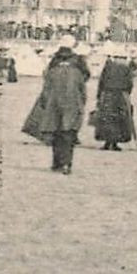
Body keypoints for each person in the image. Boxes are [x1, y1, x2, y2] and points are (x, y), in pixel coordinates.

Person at [36, 37, 88, 174]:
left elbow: (46, 81)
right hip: (72, 99)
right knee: (69, 133)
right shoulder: (78, 62)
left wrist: (45, 101)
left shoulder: (54, 61)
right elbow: (84, 80)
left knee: (56, 132)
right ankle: (67, 164)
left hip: (54, 100)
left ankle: (56, 163)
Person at [93, 46, 136, 151]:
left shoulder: (108, 67)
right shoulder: (126, 68)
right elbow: (130, 84)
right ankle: (115, 142)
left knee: (107, 119)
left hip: (107, 94)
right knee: (119, 119)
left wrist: (99, 96)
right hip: (121, 95)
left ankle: (107, 142)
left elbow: (101, 82)